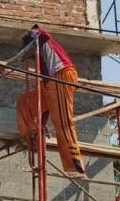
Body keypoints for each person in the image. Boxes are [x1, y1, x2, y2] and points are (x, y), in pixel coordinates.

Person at [5, 24, 86, 178]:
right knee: (25, 102)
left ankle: (75, 166)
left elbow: (40, 35)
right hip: (49, 81)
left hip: (61, 75)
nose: (29, 57)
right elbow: (45, 106)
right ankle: (32, 139)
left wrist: (14, 58)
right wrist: (40, 124)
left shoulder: (39, 36)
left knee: (62, 122)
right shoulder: (42, 62)